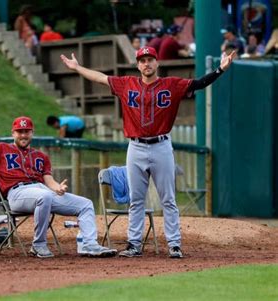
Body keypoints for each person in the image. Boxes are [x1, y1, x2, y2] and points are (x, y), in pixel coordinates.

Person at [60, 46, 236, 258]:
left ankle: (174, 244)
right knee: (136, 199)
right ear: (138, 65)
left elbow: (199, 84)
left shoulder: (171, 84)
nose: (146, 64)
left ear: (157, 62)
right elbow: (101, 78)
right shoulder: (127, 84)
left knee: (168, 198)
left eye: (150, 59)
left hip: (161, 145)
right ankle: (134, 244)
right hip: (135, 146)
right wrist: (78, 67)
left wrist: (221, 69)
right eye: (142, 60)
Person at [0, 116, 115, 258]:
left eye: (27, 131)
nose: (23, 135)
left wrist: (57, 188)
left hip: (42, 190)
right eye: (20, 131)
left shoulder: (41, 156)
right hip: (17, 193)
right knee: (45, 196)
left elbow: (49, 179)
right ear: (13, 133)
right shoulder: (1, 148)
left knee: (85, 204)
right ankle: (38, 244)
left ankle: (89, 244)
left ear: (32, 133)